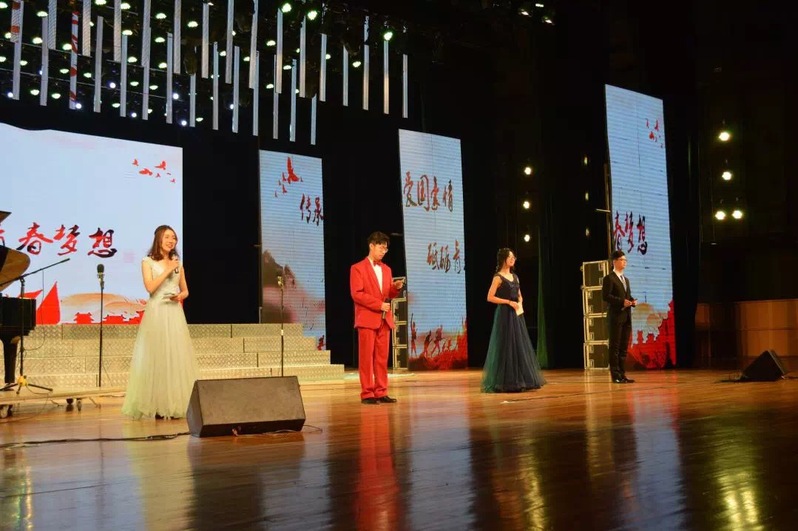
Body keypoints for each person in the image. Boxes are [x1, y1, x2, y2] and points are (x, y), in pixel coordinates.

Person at [122, 225, 199, 419]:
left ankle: (174, 404)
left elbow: (186, 290)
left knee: (174, 357)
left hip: (174, 313)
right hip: (156, 312)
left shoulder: (177, 263)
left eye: (174, 237)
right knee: (156, 357)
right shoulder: (147, 261)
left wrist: (179, 296)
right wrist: (167, 270)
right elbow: (150, 287)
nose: (171, 241)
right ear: (159, 239)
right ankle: (156, 405)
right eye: (167, 237)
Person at [350, 232, 404, 404]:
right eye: (381, 248)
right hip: (367, 318)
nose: (383, 252)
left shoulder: (387, 269)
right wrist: (378, 305)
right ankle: (367, 393)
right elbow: (357, 294)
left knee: (381, 358)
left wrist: (395, 289)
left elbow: (387, 294)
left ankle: (381, 391)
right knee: (366, 358)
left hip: (384, 319)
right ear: (371, 246)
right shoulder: (357, 268)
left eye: (385, 249)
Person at [481, 248, 546, 393]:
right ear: (504, 259)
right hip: (504, 315)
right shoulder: (498, 277)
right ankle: (505, 381)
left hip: (516, 314)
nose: (513, 259)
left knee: (519, 345)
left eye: (514, 257)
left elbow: (519, 294)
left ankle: (522, 379)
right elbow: (490, 297)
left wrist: (520, 301)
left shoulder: (515, 277)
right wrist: (508, 302)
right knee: (506, 345)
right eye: (510, 257)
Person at [602, 250, 637, 383]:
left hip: (626, 316)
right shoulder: (609, 278)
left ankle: (622, 374)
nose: (624, 262)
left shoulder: (625, 280)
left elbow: (627, 296)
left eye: (625, 260)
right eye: (622, 260)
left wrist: (631, 301)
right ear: (614, 261)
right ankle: (615, 375)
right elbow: (606, 296)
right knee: (615, 347)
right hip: (616, 316)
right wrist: (622, 302)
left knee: (623, 347)